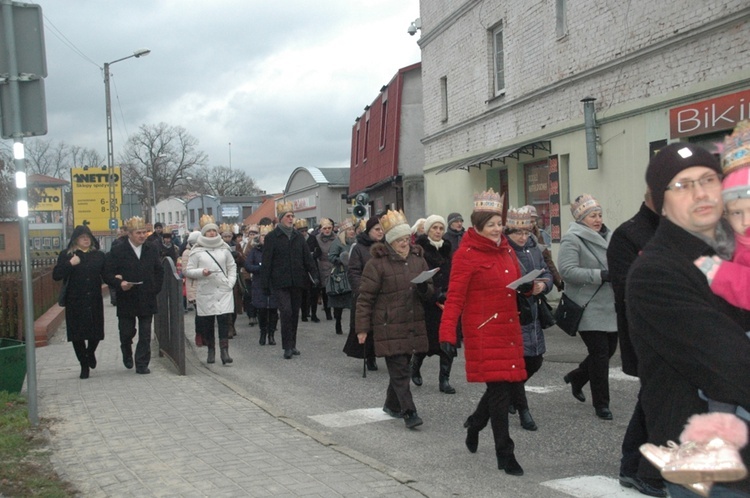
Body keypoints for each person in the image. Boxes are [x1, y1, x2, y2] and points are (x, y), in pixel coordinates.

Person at [627, 142, 750, 497]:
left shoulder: (732, 250)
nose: (700, 192)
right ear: (660, 202)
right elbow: (732, 365)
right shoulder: (656, 272)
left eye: (708, 179)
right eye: (682, 185)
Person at [439, 188, 527, 476]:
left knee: (505, 386)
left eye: (499, 224)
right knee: (501, 391)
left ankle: (475, 423)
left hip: (509, 327)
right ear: (477, 226)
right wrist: (447, 334)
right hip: (484, 330)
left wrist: (533, 286)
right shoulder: (466, 255)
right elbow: (454, 298)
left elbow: (518, 279)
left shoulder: (506, 248)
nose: (497, 229)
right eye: (491, 225)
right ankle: (505, 454)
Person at [606, 190, 665, 497]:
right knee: (658, 400)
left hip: (685, 330)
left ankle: (636, 466)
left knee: (657, 398)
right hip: (649, 333)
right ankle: (640, 469)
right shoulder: (628, 234)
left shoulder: (682, 230)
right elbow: (628, 290)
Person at [356, 209, 431, 429]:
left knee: (402, 369)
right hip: (388, 324)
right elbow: (365, 299)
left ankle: (392, 404)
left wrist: (426, 288)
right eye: (399, 240)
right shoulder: (376, 264)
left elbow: (430, 291)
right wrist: (362, 328)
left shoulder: (418, 260)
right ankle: (410, 412)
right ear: (390, 242)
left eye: (406, 239)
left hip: (412, 322)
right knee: (399, 370)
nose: (404, 244)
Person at [558, 193, 617, 420]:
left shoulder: (611, 237)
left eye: (599, 214)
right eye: (592, 215)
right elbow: (568, 271)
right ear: (581, 218)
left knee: (609, 351)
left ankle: (578, 376)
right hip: (587, 305)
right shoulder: (572, 239)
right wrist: (599, 275)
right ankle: (602, 404)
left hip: (609, 305)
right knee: (600, 354)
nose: (597, 219)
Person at [504, 207, 553, 432]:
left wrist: (543, 285)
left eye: (526, 232)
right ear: (509, 232)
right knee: (517, 363)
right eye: (518, 233)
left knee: (535, 360)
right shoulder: (502, 250)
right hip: (512, 313)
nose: (523, 237)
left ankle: (511, 396)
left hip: (532, 312)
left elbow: (546, 272)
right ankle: (524, 410)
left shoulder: (534, 248)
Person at [104, 216, 164, 375]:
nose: (142, 236)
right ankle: (126, 350)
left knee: (145, 333)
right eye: (138, 233)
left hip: (147, 296)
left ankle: (142, 363)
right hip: (127, 297)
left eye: (144, 232)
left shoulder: (151, 248)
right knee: (126, 331)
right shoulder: (118, 250)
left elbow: (159, 270)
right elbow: (107, 273)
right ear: (129, 234)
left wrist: (155, 288)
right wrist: (119, 284)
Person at [260, 203, 319, 359]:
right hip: (280, 282)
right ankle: (286, 346)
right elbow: (267, 262)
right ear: (281, 219)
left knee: (294, 313)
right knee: (286, 312)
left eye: (292, 216)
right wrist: (265, 284)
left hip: (297, 281)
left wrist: (314, 274)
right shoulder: (272, 237)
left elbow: (308, 258)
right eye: (288, 216)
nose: (291, 219)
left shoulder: (298, 237)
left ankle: (292, 344)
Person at [53, 225, 106, 379]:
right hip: (75, 301)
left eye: (88, 237)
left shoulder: (98, 255)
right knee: (77, 335)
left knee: (96, 333)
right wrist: (70, 264)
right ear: (76, 239)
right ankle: (84, 365)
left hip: (94, 299)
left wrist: (118, 281)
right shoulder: (67, 255)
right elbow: (56, 275)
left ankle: (90, 353)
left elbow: (106, 274)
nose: (86, 240)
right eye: (82, 237)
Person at [412, 214, 457, 394]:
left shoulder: (447, 248)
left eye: (441, 228)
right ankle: (415, 366)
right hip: (428, 302)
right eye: (434, 228)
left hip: (448, 302)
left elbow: (453, 273)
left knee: (448, 344)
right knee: (427, 344)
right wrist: (436, 296)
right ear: (428, 230)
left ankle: (444, 379)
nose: (438, 232)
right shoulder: (420, 249)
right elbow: (419, 279)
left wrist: (450, 295)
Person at [185, 216, 237, 365]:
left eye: (214, 231)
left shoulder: (224, 248)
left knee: (223, 321)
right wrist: (202, 272)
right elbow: (188, 271)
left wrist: (230, 282)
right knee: (208, 322)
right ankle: (211, 350)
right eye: (209, 231)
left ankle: (225, 352)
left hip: (223, 289)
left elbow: (231, 267)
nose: (212, 234)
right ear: (204, 233)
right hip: (206, 290)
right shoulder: (197, 251)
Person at [343, 216, 385, 371]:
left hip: (383, 293)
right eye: (377, 229)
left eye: (382, 229)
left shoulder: (387, 246)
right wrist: (362, 289)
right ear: (369, 231)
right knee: (368, 325)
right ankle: (370, 356)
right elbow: (353, 271)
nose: (380, 232)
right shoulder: (359, 248)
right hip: (366, 293)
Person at [245, 225, 279, 346]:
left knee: (274, 310)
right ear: (259, 237)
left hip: (274, 284)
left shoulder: (277, 250)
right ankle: (263, 333)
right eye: (263, 236)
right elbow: (248, 266)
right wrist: (260, 268)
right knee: (262, 310)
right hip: (259, 284)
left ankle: (271, 335)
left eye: (268, 236)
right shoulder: (255, 251)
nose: (265, 238)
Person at [525, 205, 564, 292]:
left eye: (533, 221)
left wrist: (558, 281)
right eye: (529, 221)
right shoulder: (517, 236)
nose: (531, 225)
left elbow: (547, 260)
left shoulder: (538, 235)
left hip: (538, 282)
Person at [327, 218, 355, 335]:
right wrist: (342, 260)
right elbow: (331, 257)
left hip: (352, 274)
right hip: (341, 274)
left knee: (353, 303)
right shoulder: (337, 242)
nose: (352, 231)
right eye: (349, 229)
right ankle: (338, 322)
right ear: (344, 231)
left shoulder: (355, 242)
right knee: (339, 304)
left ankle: (352, 326)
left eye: (353, 229)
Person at [221, 224, 244, 339]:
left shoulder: (237, 245)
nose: (227, 238)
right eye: (225, 236)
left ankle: (232, 324)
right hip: (223, 276)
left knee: (235, 304)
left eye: (229, 236)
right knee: (225, 304)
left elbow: (243, 261)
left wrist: (238, 255)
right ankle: (228, 326)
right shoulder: (219, 247)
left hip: (234, 276)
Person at [312, 218, 336, 322]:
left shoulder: (337, 238)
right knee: (324, 290)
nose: (327, 230)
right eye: (325, 228)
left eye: (329, 228)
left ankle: (336, 310)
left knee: (334, 289)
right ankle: (327, 311)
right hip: (321, 265)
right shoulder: (316, 239)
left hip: (333, 265)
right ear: (321, 229)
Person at [293, 218, 312, 322]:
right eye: (301, 231)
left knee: (307, 293)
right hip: (298, 270)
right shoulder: (295, 240)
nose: (304, 233)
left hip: (307, 270)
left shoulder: (311, 238)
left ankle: (306, 312)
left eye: (305, 230)